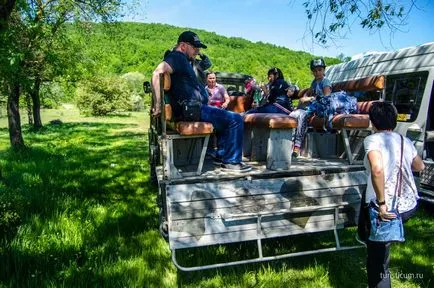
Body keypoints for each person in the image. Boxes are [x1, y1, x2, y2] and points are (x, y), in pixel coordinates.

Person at [151, 31, 251, 172]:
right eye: (195, 47)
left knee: (225, 119)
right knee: (235, 119)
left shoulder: (185, 61)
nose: (197, 51)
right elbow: (157, 73)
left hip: (194, 108)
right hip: (191, 110)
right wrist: (157, 104)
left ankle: (221, 156)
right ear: (183, 46)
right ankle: (232, 162)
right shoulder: (177, 57)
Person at [363, 101, 425, 288]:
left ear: (372, 122)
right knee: (380, 248)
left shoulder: (373, 140)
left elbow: (377, 169)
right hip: (406, 204)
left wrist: (382, 204)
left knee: (378, 259)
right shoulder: (404, 140)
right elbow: (420, 166)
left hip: (385, 207)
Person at [245, 67, 309, 157]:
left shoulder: (279, 82)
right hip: (276, 107)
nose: (269, 78)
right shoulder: (273, 84)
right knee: (254, 112)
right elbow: (270, 98)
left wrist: (292, 89)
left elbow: (290, 90)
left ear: (276, 75)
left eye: (270, 76)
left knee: (252, 112)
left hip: (280, 108)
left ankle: (242, 116)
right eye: (268, 76)